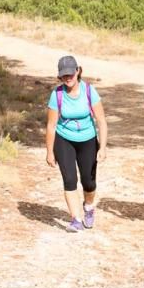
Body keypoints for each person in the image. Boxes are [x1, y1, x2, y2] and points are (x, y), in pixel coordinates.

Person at [45, 55, 108, 232]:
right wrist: (50, 151)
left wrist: (102, 147)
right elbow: (51, 125)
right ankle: (76, 219)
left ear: (78, 71)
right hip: (64, 139)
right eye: (64, 75)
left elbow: (101, 121)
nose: (68, 78)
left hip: (87, 140)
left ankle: (88, 207)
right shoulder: (56, 95)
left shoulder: (89, 91)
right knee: (70, 179)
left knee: (88, 182)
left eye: (70, 73)